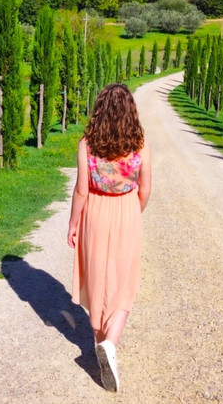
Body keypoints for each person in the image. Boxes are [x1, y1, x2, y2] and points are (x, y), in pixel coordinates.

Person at [67, 83, 152, 393]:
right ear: (131, 111)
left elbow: (81, 190)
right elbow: (146, 189)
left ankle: (100, 340)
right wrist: (131, 212)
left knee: (98, 279)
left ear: (99, 109)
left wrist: (73, 224)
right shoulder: (139, 144)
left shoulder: (86, 145)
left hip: (95, 214)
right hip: (127, 212)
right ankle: (109, 345)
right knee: (124, 284)